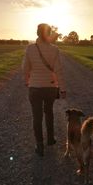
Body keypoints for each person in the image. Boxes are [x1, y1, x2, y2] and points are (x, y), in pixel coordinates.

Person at [22, 23, 66, 157]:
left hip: (34, 87)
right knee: (49, 113)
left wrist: (27, 81)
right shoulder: (55, 49)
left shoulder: (30, 49)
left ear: (37, 33)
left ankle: (39, 145)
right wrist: (62, 88)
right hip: (50, 88)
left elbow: (25, 68)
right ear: (49, 34)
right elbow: (59, 70)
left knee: (37, 117)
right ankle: (51, 139)